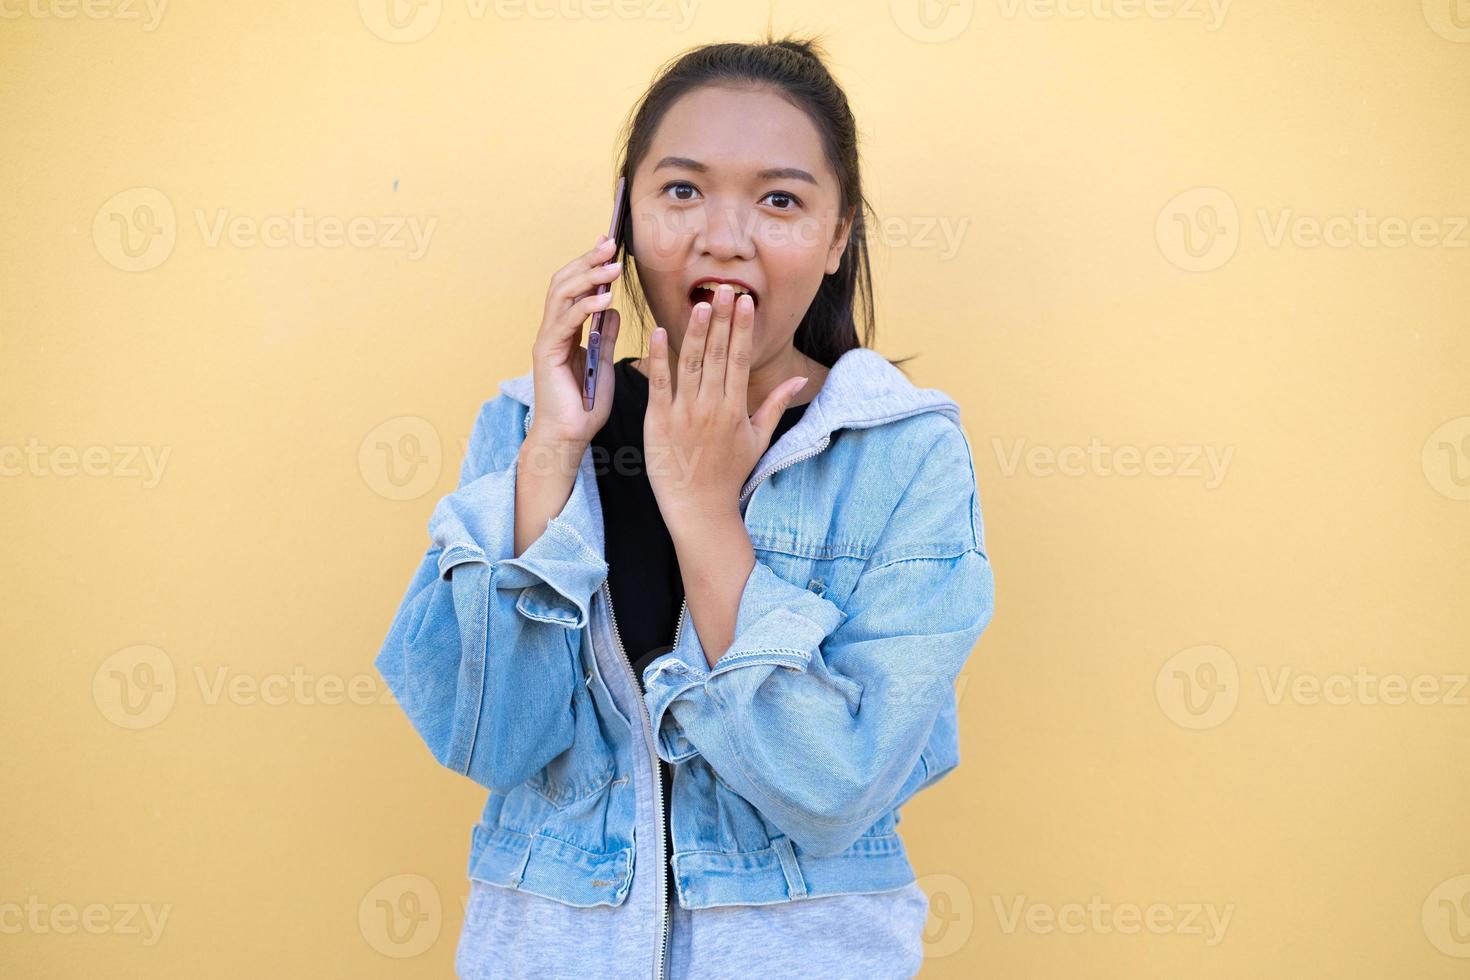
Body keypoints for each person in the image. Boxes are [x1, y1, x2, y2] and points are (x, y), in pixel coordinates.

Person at [375, 34, 996, 980]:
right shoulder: (528, 425)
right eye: (682, 190)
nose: (725, 235)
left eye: (781, 199)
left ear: (837, 240)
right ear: (624, 219)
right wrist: (548, 455)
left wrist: (704, 511)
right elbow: (492, 739)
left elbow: (833, 786)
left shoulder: (905, 453)